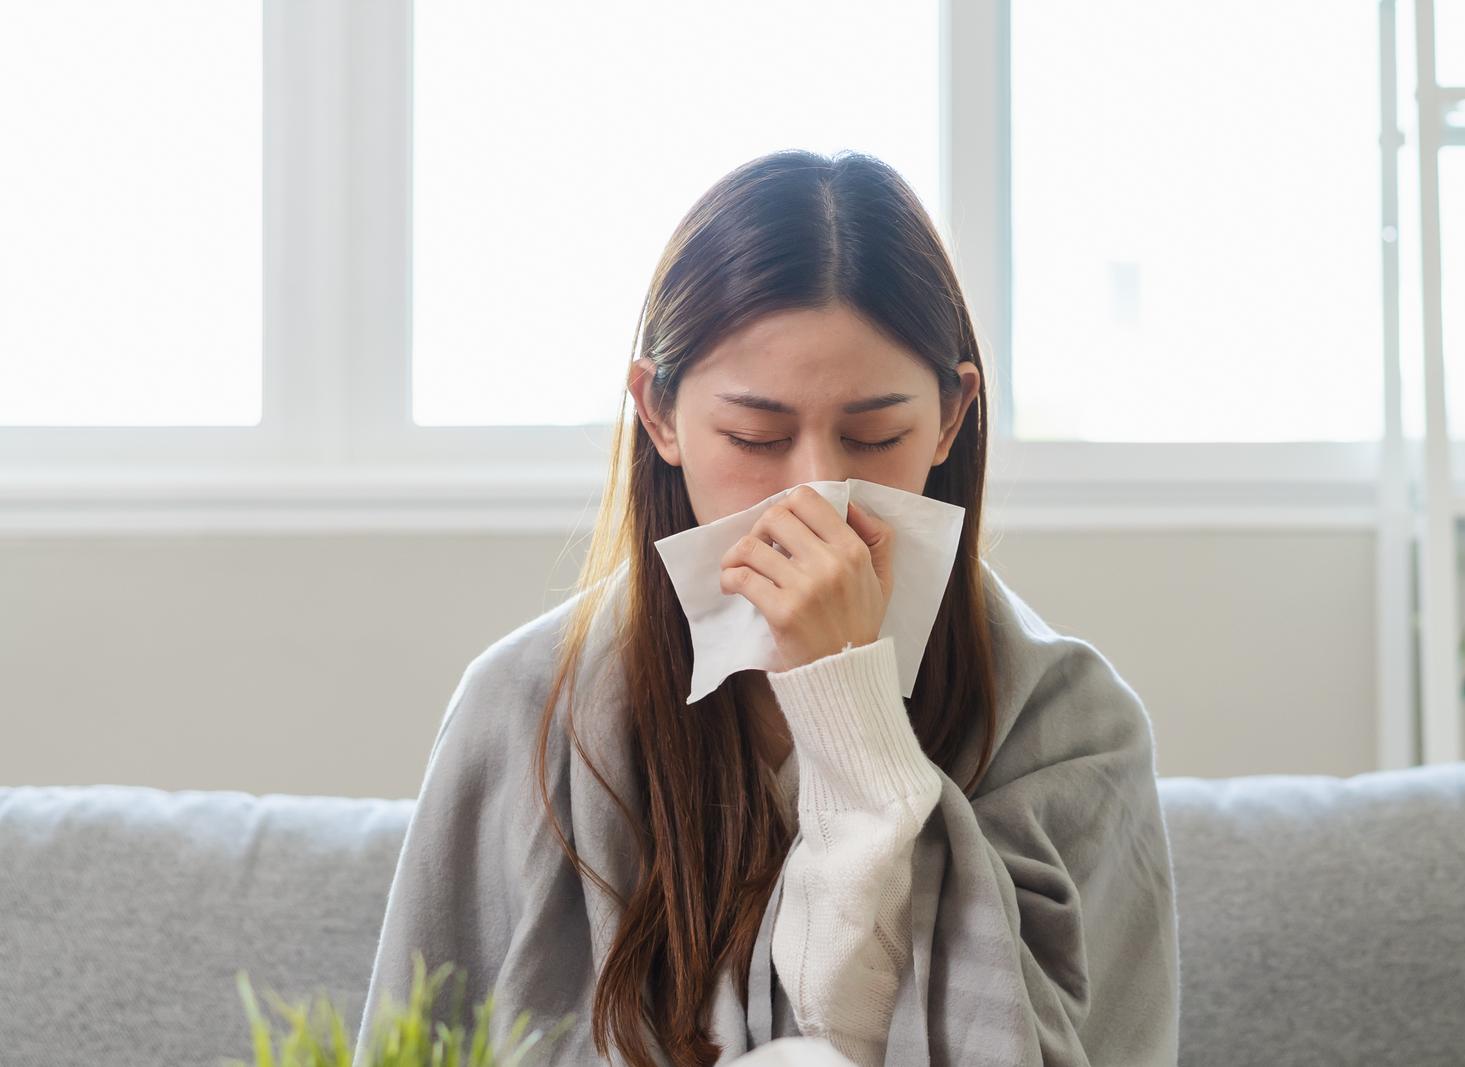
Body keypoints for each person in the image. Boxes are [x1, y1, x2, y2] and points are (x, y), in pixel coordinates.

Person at [353, 149, 1181, 1067]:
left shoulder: (1072, 725)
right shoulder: (523, 710)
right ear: (658, 414)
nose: (816, 493)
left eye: (875, 436)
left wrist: (849, 711)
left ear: (951, 419)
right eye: (757, 436)